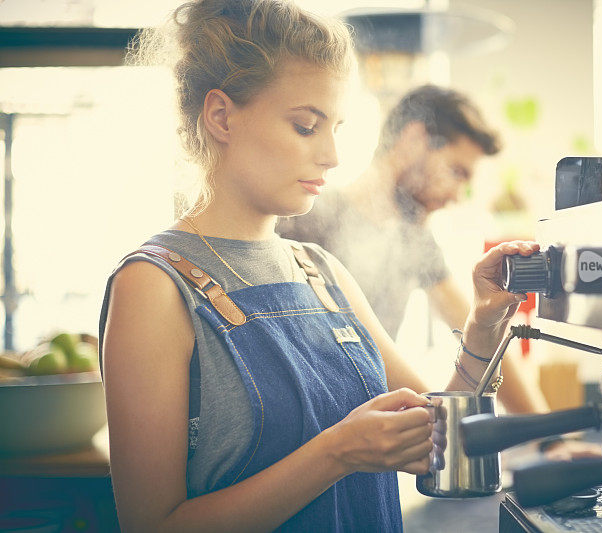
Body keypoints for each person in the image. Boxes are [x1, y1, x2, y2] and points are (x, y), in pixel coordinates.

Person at [99, 1, 538, 530]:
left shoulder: (321, 272)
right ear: (221, 117)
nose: (331, 154)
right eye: (307, 126)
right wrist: (339, 454)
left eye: (336, 127)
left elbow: (433, 436)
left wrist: (485, 325)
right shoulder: (155, 285)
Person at [278, 85, 545, 414]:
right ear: (414, 141)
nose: (458, 195)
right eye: (456, 172)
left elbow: (480, 331)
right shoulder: (307, 220)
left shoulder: (416, 241)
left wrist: (549, 437)